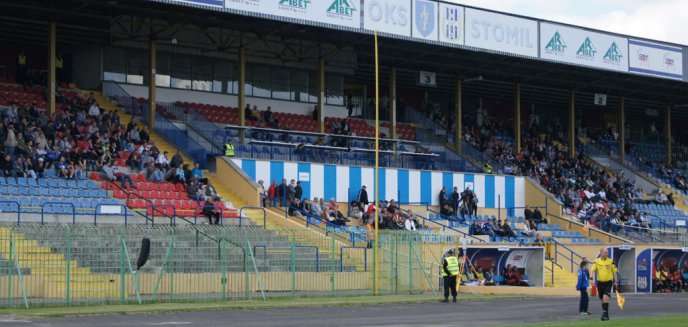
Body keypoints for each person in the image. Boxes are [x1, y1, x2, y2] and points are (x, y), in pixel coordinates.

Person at [590, 248, 618, 321]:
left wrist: (616, 281)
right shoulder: (596, 261)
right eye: (605, 252)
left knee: (605, 298)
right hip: (600, 283)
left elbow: (614, 271)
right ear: (601, 253)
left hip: (608, 282)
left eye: (607, 253)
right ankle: (605, 314)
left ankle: (605, 314)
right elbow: (592, 270)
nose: (606, 254)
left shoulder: (611, 261)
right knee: (602, 299)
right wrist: (591, 279)